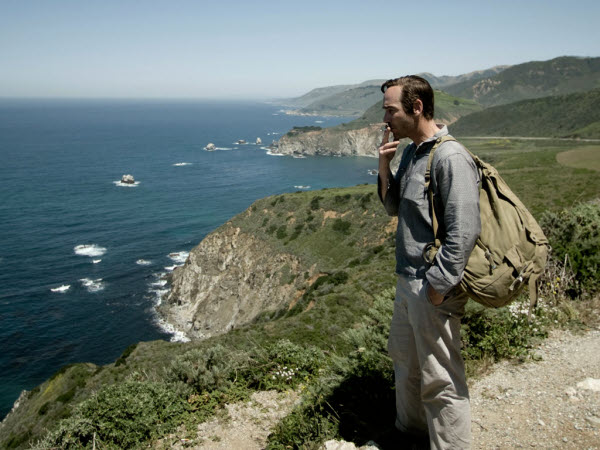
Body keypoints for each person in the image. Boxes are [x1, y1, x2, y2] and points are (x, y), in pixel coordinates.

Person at [377, 75, 481, 449]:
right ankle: (411, 435)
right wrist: (385, 166)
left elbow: (464, 231)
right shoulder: (413, 151)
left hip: (431, 287)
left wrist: (438, 287)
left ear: (416, 108)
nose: (385, 119)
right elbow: (393, 208)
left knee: (441, 379)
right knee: (405, 364)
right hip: (408, 282)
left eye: (390, 110)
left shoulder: (450, 157)